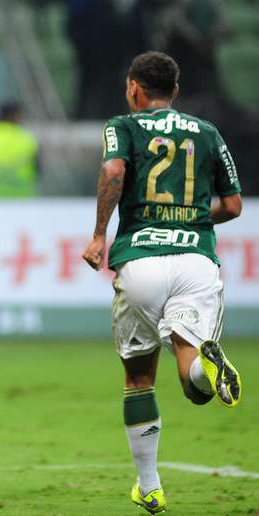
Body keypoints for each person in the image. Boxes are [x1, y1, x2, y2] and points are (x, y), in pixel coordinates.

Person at [82, 51, 243, 514]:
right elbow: (232, 207)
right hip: (196, 261)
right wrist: (193, 219)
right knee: (194, 384)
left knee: (138, 377)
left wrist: (99, 235)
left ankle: (150, 486)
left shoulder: (122, 126)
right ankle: (206, 366)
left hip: (141, 261)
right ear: (175, 91)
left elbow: (114, 171)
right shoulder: (208, 132)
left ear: (134, 87)